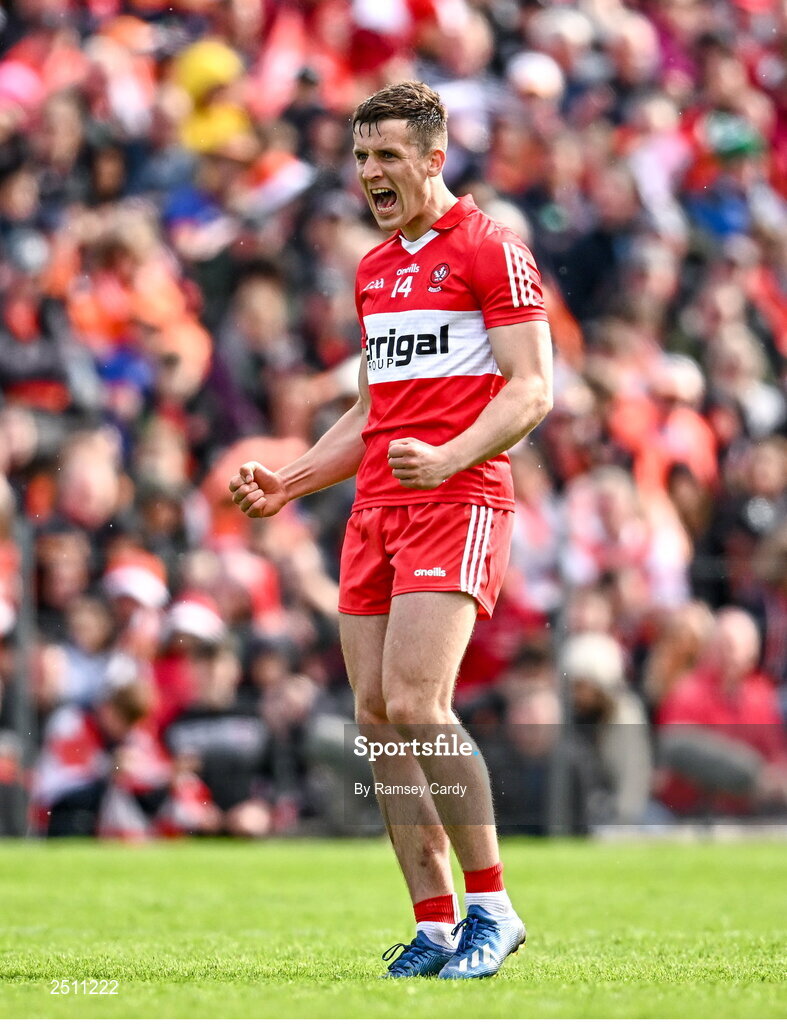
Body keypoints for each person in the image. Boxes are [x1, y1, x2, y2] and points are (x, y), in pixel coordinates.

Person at [229, 81, 552, 979]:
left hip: (459, 497)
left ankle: (494, 908)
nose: (371, 172)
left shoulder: (492, 249)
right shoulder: (376, 269)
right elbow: (373, 409)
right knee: (376, 720)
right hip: (376, 508)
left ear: (434, 157)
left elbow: (531, 390)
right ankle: (435, 922)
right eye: (362, 156)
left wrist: (449, 458)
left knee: (416, 704)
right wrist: (289, 480)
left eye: (387, 156)